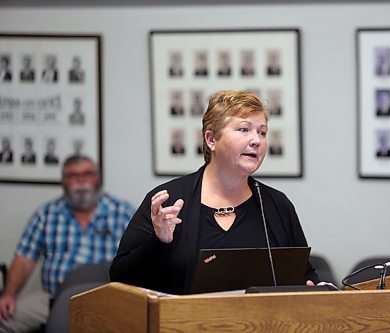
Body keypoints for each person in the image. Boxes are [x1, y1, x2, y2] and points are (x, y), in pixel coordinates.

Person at [109, 90, 320, 295]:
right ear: (211, 139)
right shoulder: (168, 202)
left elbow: (304, 275)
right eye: (244, 130)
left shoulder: (276, 205)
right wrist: (159, 242)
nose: (256, 140)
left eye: (262, 132)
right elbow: (121, 279)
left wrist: (316, 288)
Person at [0, 155, 135, 332]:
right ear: (63, 181)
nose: (81, 181)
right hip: (52, 298)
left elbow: (140, 258)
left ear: (98, 178)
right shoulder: (47, 213)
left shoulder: (123, 212)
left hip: (108, 300)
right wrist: (9, 294)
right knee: (4, 320)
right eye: (73, 175)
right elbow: (24, 260)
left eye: (87, 174)